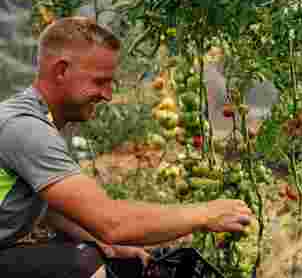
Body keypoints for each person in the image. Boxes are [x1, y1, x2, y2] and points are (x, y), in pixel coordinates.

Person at [0, 17, 253, 278]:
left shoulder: (34, 121)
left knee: (106, 256)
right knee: (81, 262)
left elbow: (48, 206)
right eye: (99, 81)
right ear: (61, 71)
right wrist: (205, 214)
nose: (108, 95)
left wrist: (106, 242)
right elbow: (112, 222)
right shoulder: (26, 129)